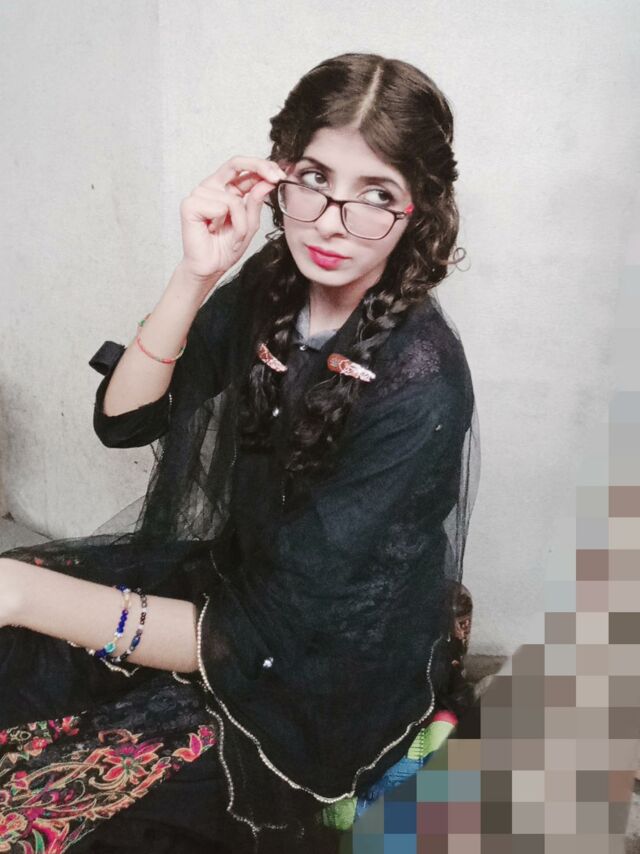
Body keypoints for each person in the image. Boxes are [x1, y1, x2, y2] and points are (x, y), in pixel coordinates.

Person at [0, 52, 479, 852]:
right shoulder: (275, 281)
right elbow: (125, 421)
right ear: (279, 173)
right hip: (240, 582)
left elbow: (261, 641)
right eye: (314, 178)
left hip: (317, 661)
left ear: (417, 209)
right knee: (23, 652)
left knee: (55, 811)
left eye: (375, 194)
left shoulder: (421, 381)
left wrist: (19, 592)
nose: (331, 220)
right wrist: (196, 274)